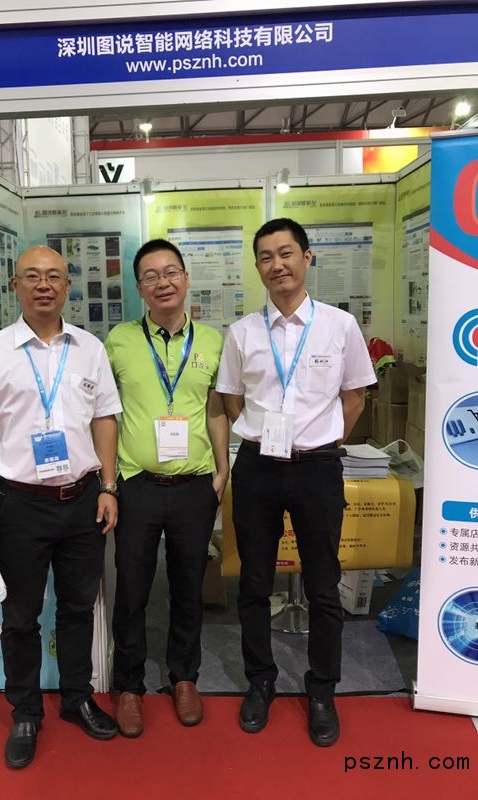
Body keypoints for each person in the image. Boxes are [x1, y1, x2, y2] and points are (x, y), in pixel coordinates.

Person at [0, 245, 122, 769]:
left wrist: (109, 486)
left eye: (53, 276)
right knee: (20, 615)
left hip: (81, 500)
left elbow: (105, 419)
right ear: (16, 286)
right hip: (21, 505)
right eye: (32, 276)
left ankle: (77, 698)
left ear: (68, 285)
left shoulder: (90, 349)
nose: (43, 285)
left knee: (78, 607)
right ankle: (26, 711)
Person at [216, 218, 375, 746]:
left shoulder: (339, 326)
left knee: (324, 584)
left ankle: (322, 690)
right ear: (257, 266)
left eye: (286, 253)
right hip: (258, 467)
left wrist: (319, 441)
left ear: (308, 258)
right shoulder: (242, 333)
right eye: (266, 256)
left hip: (317, 468)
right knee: (254, 582)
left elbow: (355, 397)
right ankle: (260, 681)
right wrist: (264, 436)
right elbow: (232, 398)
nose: (277, 264)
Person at [105, 239, 229, 737]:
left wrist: (223, 469)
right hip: (138, 484)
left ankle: (184, 677)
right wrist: (108, 481)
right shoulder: (118, 341)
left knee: (188, 587)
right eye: (151, 275)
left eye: (171, 271)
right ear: (140, 288)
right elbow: (103, 415)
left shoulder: (213, 341)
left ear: (186, 279)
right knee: (132, 589)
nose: (163, 282)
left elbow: (216, 410)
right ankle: (129, 685)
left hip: (195, 484)